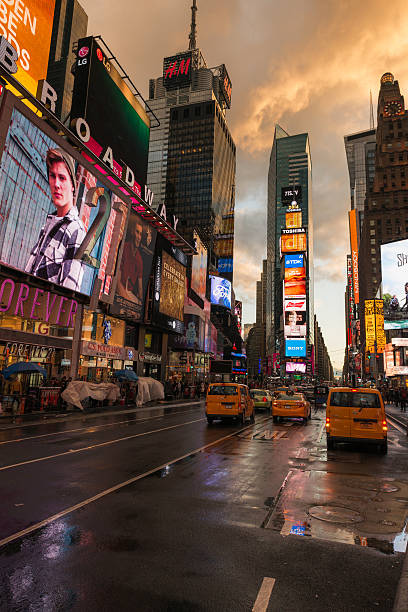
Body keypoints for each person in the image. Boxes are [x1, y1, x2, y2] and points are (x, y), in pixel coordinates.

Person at [25, 148, 86, 291]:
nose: (56, 184)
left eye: (62, 178)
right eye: (53, 176)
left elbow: (68, 296)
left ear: (73, 185)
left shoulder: (76, 231)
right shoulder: (50, 222)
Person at [116, 214, 144, 304]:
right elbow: (117, 282)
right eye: (137, 232)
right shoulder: (124, 248)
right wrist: (130, 305)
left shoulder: (139, 258)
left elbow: (140, 290)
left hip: (129, 294)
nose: (139, 237)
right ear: (132, 232)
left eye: (140, 234)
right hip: (117, 291)